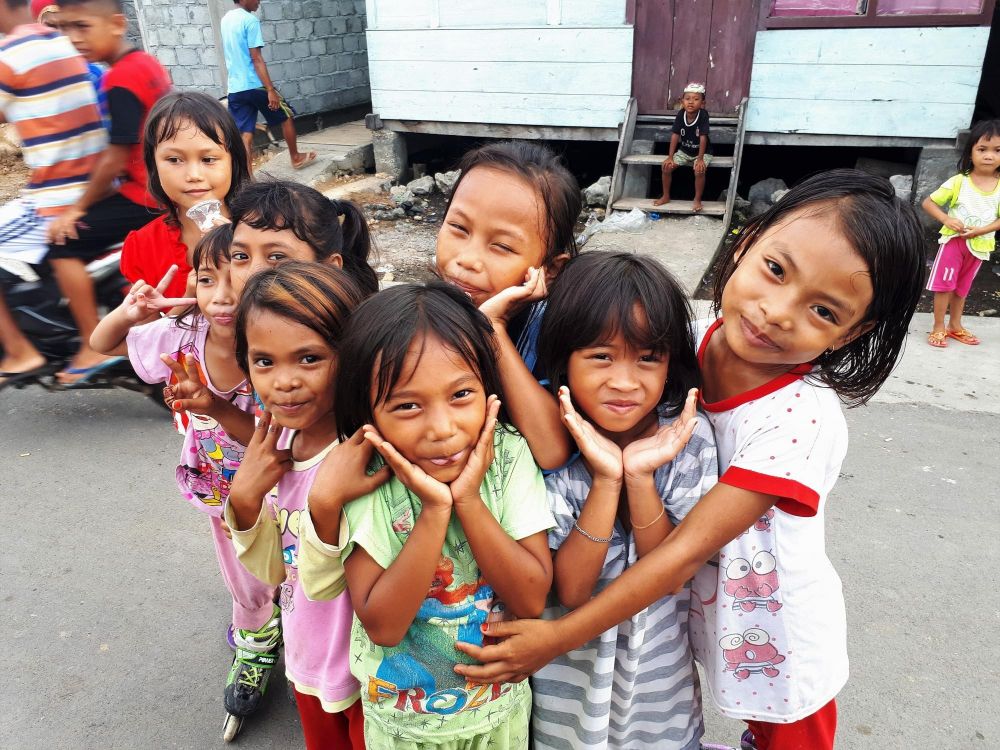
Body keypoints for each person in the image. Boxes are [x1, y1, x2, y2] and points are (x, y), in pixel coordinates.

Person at [453, 169, 927, 750]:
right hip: (693, 614)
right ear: (747, 242)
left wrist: (554, 640)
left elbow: (680, 554)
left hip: (777, 633)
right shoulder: (686, 338)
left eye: (824, 311)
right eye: (776, 270)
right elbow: (562, 429)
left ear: (855, 332)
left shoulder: (802, 418)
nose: (777, 311)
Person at [304, 282, 555, 749]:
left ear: (488, 389)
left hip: (498, 714)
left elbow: (530, 598)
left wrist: (469, 501)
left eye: (461, 394)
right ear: (369, 415)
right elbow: (383, 625)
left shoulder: (508, 458)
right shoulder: (369, 478)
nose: (442, 429)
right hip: (402, 726)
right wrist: (435, 510)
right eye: (407, 406)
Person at [531, 252, 717, 750]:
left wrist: (639, 476)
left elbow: (667, 571)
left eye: (647, 358)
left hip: (659, 693)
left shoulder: (689, 442)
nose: (625, 382)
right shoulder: (549, 459)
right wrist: (606, 480)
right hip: (568, 692)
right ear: (562, 360)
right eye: (601, 356)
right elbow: (571, 589)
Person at [90, 225, 279, 708]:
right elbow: (101, 343)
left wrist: (211, 406)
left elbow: (266, 442)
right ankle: (256, 644)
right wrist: (127, 313)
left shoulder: (276, 343)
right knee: (244, 576)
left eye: (236, 279)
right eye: (206, 280)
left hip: (282, 487)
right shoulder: (183, 331)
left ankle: (304, 634)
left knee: (296, 569)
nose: (222, 297)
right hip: (220, 489)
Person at [224, 263, 369, 748]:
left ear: (351, 357)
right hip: (308, 661)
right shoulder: (278, 444)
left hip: (374, 673)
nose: (283, 382)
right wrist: (244, 501)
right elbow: (275, 570)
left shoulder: (364, 453)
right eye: (264, 361)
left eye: (308, 358)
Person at [44, 0, 171, 384]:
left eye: (82, 26)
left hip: (143, 196)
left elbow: (117, 156)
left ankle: (89, 343)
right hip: (157, 187)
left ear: (116, 24)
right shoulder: (147, 63)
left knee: (62, 245)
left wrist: (76, 209)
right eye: (65, 28)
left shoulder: (120, 79)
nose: (73, 38)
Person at [435, 141, 581, 469]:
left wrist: (493, 330)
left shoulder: (552, 335)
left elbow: (553, 452)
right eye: (458, 228)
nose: (467, 260)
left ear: (550, 269)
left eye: (501, 246)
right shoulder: (415, 315)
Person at [0, 0, 104, 386]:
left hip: (58, 193)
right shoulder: (60, 43)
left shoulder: (11, 56)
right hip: (92, 181)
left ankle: (19, 351)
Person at [119, 91, 251, 301]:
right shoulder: (143, 247)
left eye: (208, 159)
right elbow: (144, 331)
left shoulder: (263, 231)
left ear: (233, 161)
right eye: (174, 160)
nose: (194, 176)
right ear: (154, 166)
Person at [922, 118, 1000, 348]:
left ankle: (955, 325)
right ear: (970, 152)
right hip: (954, 243)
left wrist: (982, 230)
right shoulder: (959, 182)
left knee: (962, 288)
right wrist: (946, 219)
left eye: (997, 150)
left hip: (979, 247)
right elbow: (928, 203)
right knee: (945, 285)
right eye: (982, 149)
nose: (989, 156)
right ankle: (938, 326)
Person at [227, 180, 378, 298]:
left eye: (276, 256)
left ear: (330, 268)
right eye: (241, 256)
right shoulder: (220, 330)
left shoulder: (349, 336)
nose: (253, 274)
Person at [220, 0, 315, 170]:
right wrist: (270, 90)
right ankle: (296, 157)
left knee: (245, 133)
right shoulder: (250, 20)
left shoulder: (226, 19)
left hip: (235, 88)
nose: (259, 1)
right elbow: (256, 58)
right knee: (286, 116)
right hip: (255, 84)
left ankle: (247, 177)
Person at [30, 0, 107, 124]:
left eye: (65, 26)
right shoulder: (23, 77)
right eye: (51, 26)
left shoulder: (94, 76)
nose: (60, 34)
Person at [653, 82, 712, 212]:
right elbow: (675, 135)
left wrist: (701, 159)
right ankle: (666, 196)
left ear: (703, 103)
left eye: (696, 99)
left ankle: (697, 199)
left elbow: (703, 137)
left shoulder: (703, 115)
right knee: (667, 167)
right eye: (688, 99)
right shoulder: (681, 114)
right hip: (685, 150)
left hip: (702, 152)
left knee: (699, 170)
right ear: (682, 101)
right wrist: (670, 157)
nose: (691, 102)